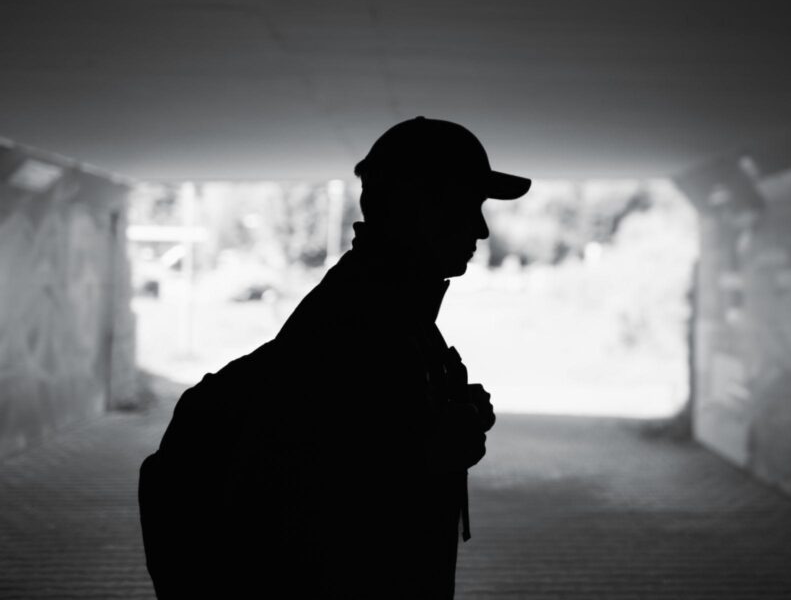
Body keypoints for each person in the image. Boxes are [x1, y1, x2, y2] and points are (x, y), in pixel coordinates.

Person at [138, 117, 531, 598]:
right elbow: (315, 492)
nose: (481, 229)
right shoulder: (362, 319)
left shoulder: (390, 305)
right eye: (467, 207)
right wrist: (437, 447)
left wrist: (445, 412)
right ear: (418, 209)